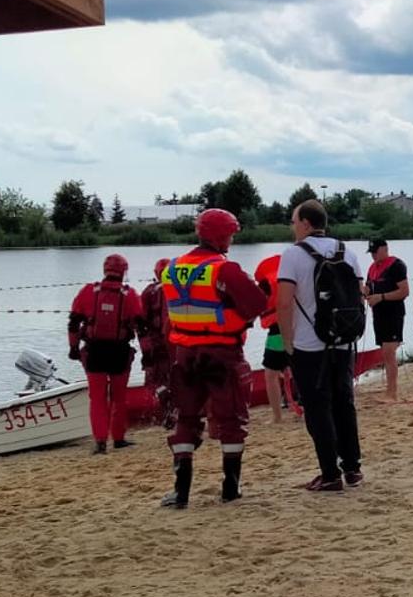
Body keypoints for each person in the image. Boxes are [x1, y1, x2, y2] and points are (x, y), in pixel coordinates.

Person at [159, 210, 269, 508]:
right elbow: (257, 304)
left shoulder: (170, 268)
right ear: (222, 235)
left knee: (186, 418)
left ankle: (181, 492)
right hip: (222, 354)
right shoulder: (225, 269)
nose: (233, 239)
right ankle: (230, 488)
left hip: (185, 356)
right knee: (232, 419)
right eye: (231, 234)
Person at [277, 199, 366, 491]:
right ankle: (352, 468)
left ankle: (330, 474)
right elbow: (359, 294)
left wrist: (287, 343)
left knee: (317, 408)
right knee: (344, 404)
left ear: (305, 223)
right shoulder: (348, 252)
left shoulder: (293, 255)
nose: (292, 227)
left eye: (293, 221)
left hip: (309, 344)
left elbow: (284, 302)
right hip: (343, 341)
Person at [69, 254, 144, 454]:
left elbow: (74, 322)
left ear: (105, 270)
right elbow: (141, 328)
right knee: (119, 397)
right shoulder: (130, 295)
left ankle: (100, 443)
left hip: (94, 352)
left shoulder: (88, 292)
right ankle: (118, 438)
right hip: (119, 352)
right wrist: (148, 353)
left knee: (98, 399)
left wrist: (73, 348)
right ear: (123, 272)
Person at [362, 239, 409, 403]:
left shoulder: (396, 265)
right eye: (371, 252)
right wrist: (364, 292)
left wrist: (381, 297)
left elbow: (404, 291)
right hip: (378, 315)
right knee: (385, 352)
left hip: (393, 314)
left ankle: (392, 393)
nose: (373, 255)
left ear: (385, 249)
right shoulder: (372, 268)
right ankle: (389, 390)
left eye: (376, 251)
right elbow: (368, 287)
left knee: (389, 352)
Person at [252, 254, 297, 423]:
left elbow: (255, 305)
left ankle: (277, 417)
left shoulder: (265, 284)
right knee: (300, 369)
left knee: (270, 374)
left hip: (277, 331)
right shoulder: (293, 277)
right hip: (299, 329)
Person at [139, 259, 176, 429]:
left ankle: (164, 412)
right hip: (176, 342)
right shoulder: (179, 288)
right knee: (178, 377)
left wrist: (145, 350)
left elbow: (140, 322)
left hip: (155, 344)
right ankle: (176, 413)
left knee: (158, 380)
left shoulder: (148, 292)